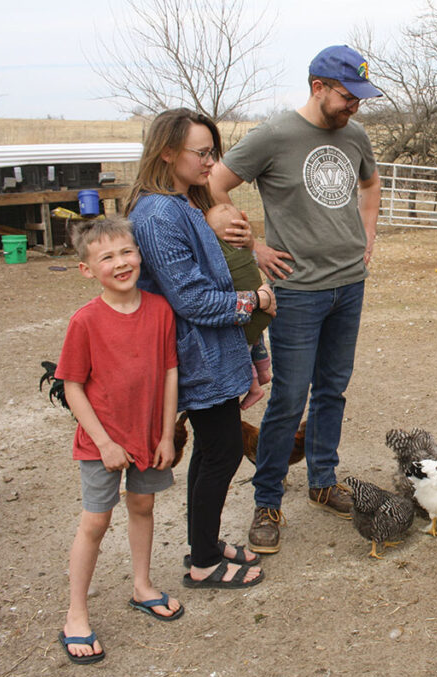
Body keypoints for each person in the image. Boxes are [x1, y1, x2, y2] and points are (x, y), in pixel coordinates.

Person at [209, 44, 382, 554]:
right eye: (349, 97)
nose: (355, 107)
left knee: (333, 388)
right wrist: (254, 245)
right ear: (318, 88)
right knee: (288, 397)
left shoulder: (355, 135)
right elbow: (216, 185)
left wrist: (368, 235)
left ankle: (323, 481)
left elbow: (370, 184)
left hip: (349, 285)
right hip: (297, 292)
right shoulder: (275, 135)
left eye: (360, 99)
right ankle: (267, 501)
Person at [127, 108, 275, 586]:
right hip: (197, 355)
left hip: (214, 349)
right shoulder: (156, 214)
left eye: (215, 152)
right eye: (203, 153)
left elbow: (215, 268)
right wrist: (252, 301)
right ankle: (204, 563)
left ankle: (204, 546)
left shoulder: (183, 203)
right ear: (168, 152)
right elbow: (190, 298)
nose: (213, 162)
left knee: (215, 450)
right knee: (223, 451)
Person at [56, 217, 181, 664]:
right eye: (106, 257)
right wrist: (106, 443)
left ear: (139, 254)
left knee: (143, 506)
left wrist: (166, 434)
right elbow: (72, 386)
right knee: (95, 522)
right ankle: (76, 614)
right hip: (101, 444)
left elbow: (169, 372)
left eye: (126, 252)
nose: (120, 263)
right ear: (87, 270)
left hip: (149, 438)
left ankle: (142, 586)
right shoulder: (85, 322)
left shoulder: (161, 310)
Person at [204, 202, 273, 410]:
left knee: (244, 351)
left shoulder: (222, 258)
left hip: (245, 312)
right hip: (262, 308)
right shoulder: (247, 250)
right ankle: (264, 372)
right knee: (258, 343)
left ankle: (254, 387)